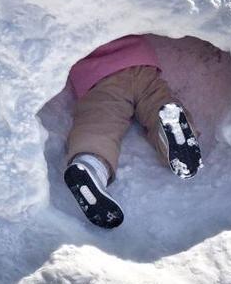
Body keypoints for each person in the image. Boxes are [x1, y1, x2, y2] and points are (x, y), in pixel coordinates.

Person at [63, 34, 202, 228]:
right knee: (158, 101)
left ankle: (91, 166)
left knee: (100, 121)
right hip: (141, 63)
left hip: (98, 74)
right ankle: (171, 133)